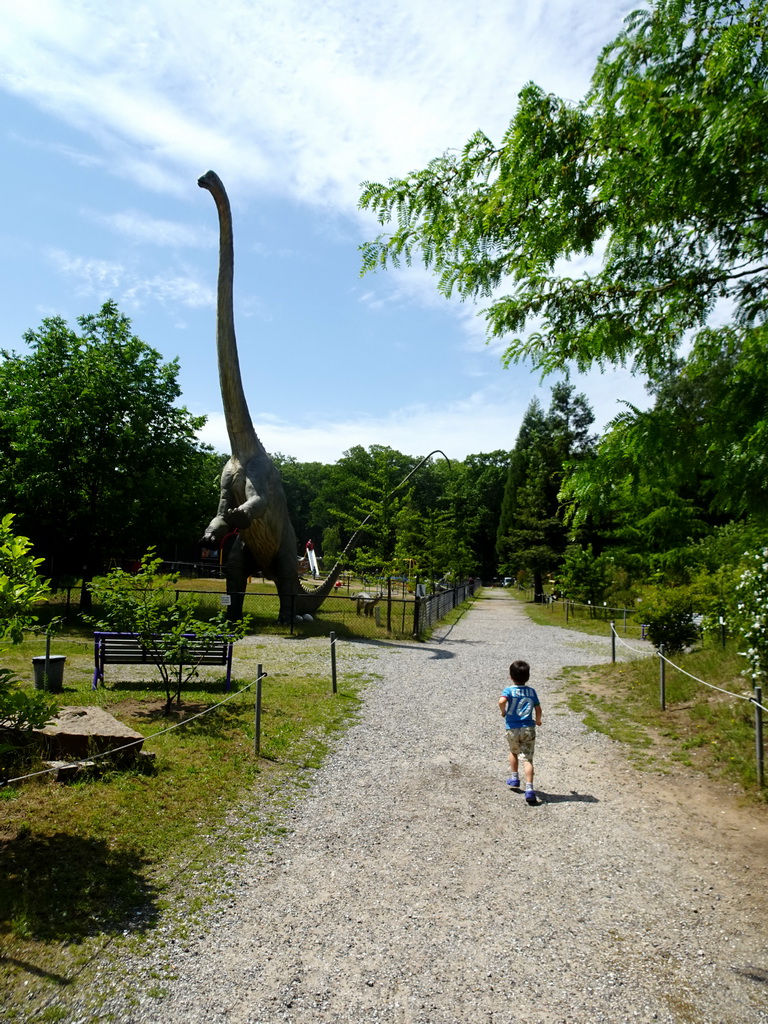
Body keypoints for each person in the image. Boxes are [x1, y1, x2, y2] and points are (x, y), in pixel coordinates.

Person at [498, 660, 542, 805]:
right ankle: (529, 788)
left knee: (513, 752)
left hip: (512, 728)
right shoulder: (531, 691)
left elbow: (501, 701)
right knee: (527, 759)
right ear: (528, 676)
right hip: (528, 728)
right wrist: (538, 720)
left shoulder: (509, 690)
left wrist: (503, 711)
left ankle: (514, 777)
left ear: (511, 676)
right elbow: (538, 708)